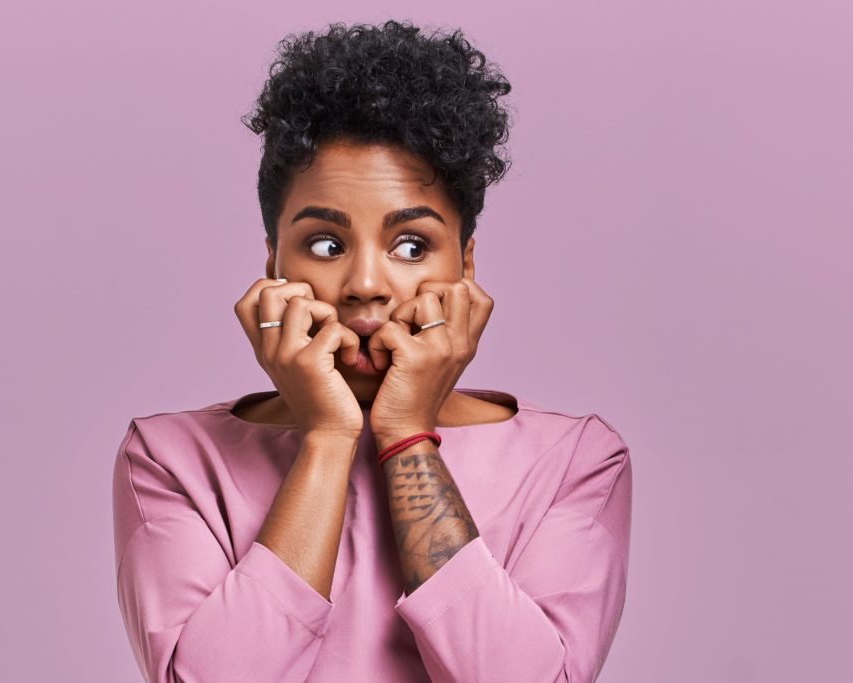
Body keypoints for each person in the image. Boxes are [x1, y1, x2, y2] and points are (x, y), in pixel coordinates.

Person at [112, 19, 633, 683]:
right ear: (273, 263)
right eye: (326, 244)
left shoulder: (575, 461)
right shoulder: (170, 458)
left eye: (411, 246)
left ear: (465, 265)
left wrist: (406, 435)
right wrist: (328, 438)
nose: (364, 285)